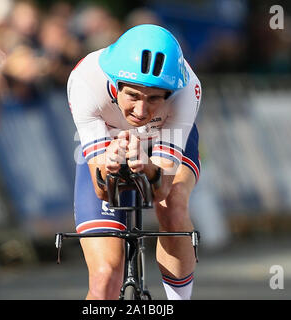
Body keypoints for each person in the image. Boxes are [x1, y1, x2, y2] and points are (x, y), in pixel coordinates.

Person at [67, 24, 202, 300]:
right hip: (108, 138)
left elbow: (161, 188)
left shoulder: (187, 88)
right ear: (115, 85)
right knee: (105, 277)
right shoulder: (85, 81)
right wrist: (110, 165)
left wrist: (148, 167)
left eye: (153, 99)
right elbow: (102, 189)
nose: (141, 111)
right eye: (133, 96)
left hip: (163, 136)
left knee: (173, 203)